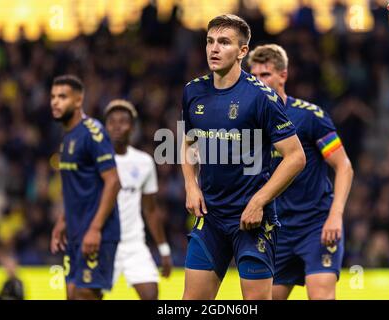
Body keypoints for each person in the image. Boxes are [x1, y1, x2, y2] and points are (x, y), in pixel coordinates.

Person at [181, 14, 306, 300]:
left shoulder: (261, 97)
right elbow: (187, 142)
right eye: (210, 41)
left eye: (224, 42)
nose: (214, 49)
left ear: (242, 52)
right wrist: (191, 183)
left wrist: (259, 201)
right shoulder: (192, 92)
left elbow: (296, 157)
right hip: (210, 217)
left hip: (252, 220)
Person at [248, 44, 354, 300]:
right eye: (253, 77)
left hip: (315, 226)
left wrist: (335, 215)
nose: (258, 82)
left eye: (266, 75)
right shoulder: (249, 123)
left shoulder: (309, 117)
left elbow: (344, 166)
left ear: (283, 75)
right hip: (276, 231)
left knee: (321, 295)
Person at [49, 75, 121, 300]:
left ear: (78, 100)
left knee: (84, 294)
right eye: (53, 97)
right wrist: (62, 220)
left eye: (62, 97)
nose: (55, 102)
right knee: (72, 294)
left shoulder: (92, 132)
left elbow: (113, 181)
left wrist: (95, 229)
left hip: (97, 231)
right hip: (75, 231)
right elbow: (74, 187)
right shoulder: (68, 136)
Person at [104, 99, 173, 300]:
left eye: (123, 121)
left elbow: (150, 210)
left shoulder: (144, 162)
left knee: (151, 295)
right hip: (104, 243)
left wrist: (164, 249)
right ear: (105, 126)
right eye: (112, 121)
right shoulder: (94, 161)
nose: (117, 126)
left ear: (132, 127)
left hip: (134, 244)